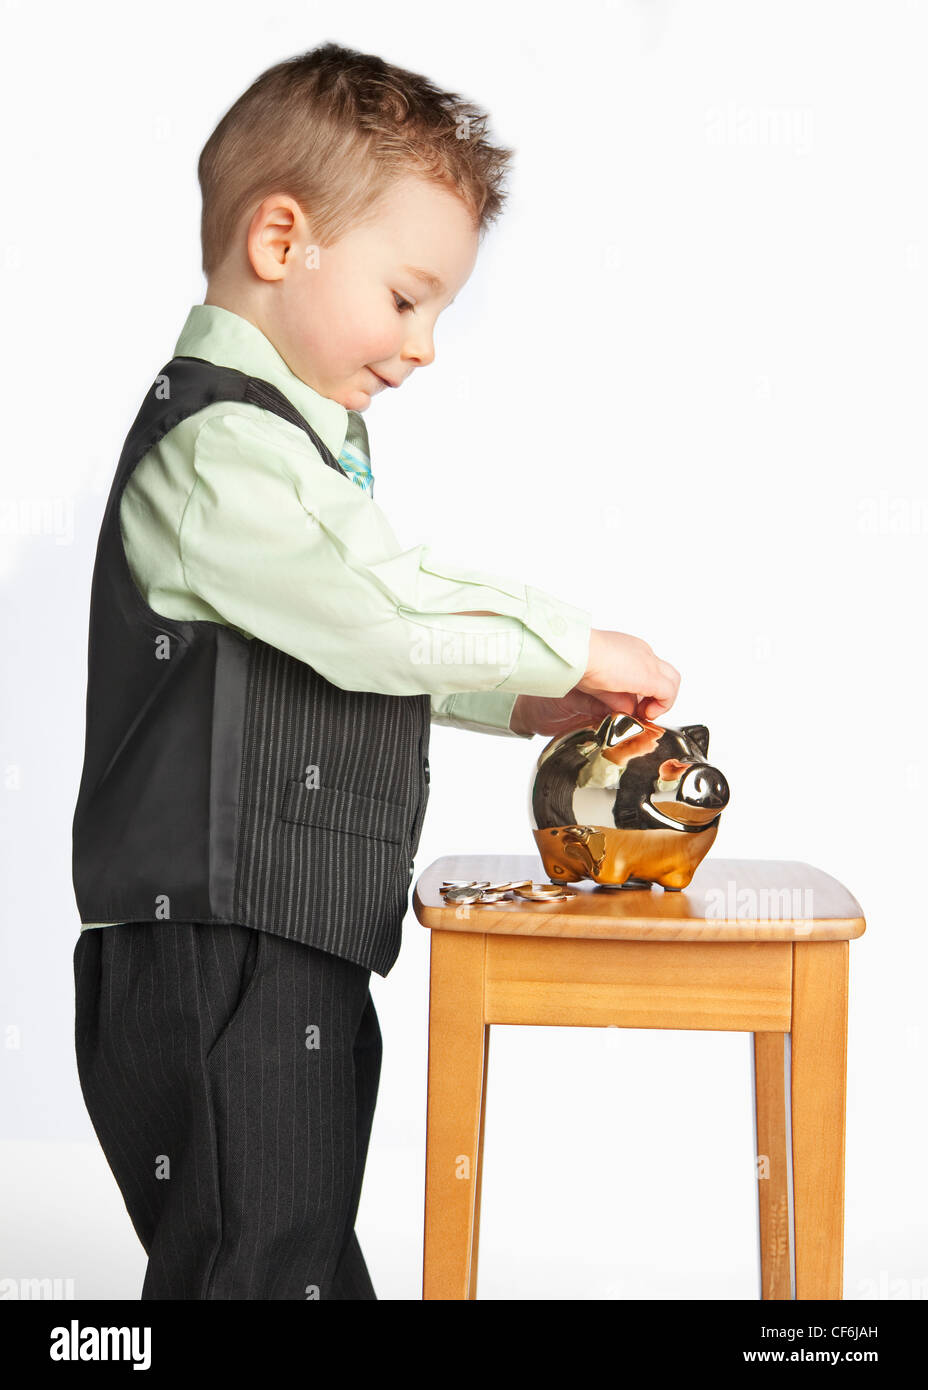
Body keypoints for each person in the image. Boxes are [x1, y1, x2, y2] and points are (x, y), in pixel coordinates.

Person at [71, 41, 680, 1301]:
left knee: (290, 1257)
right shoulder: (221, 449)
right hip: (219, 942)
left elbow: (353, 640)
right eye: (408, 298)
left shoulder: (292, 452)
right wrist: (568, 638)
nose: (425, 346)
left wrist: (521, 698)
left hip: (289, 933)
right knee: (261, 1261)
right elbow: (370, 616)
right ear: (281, 241)